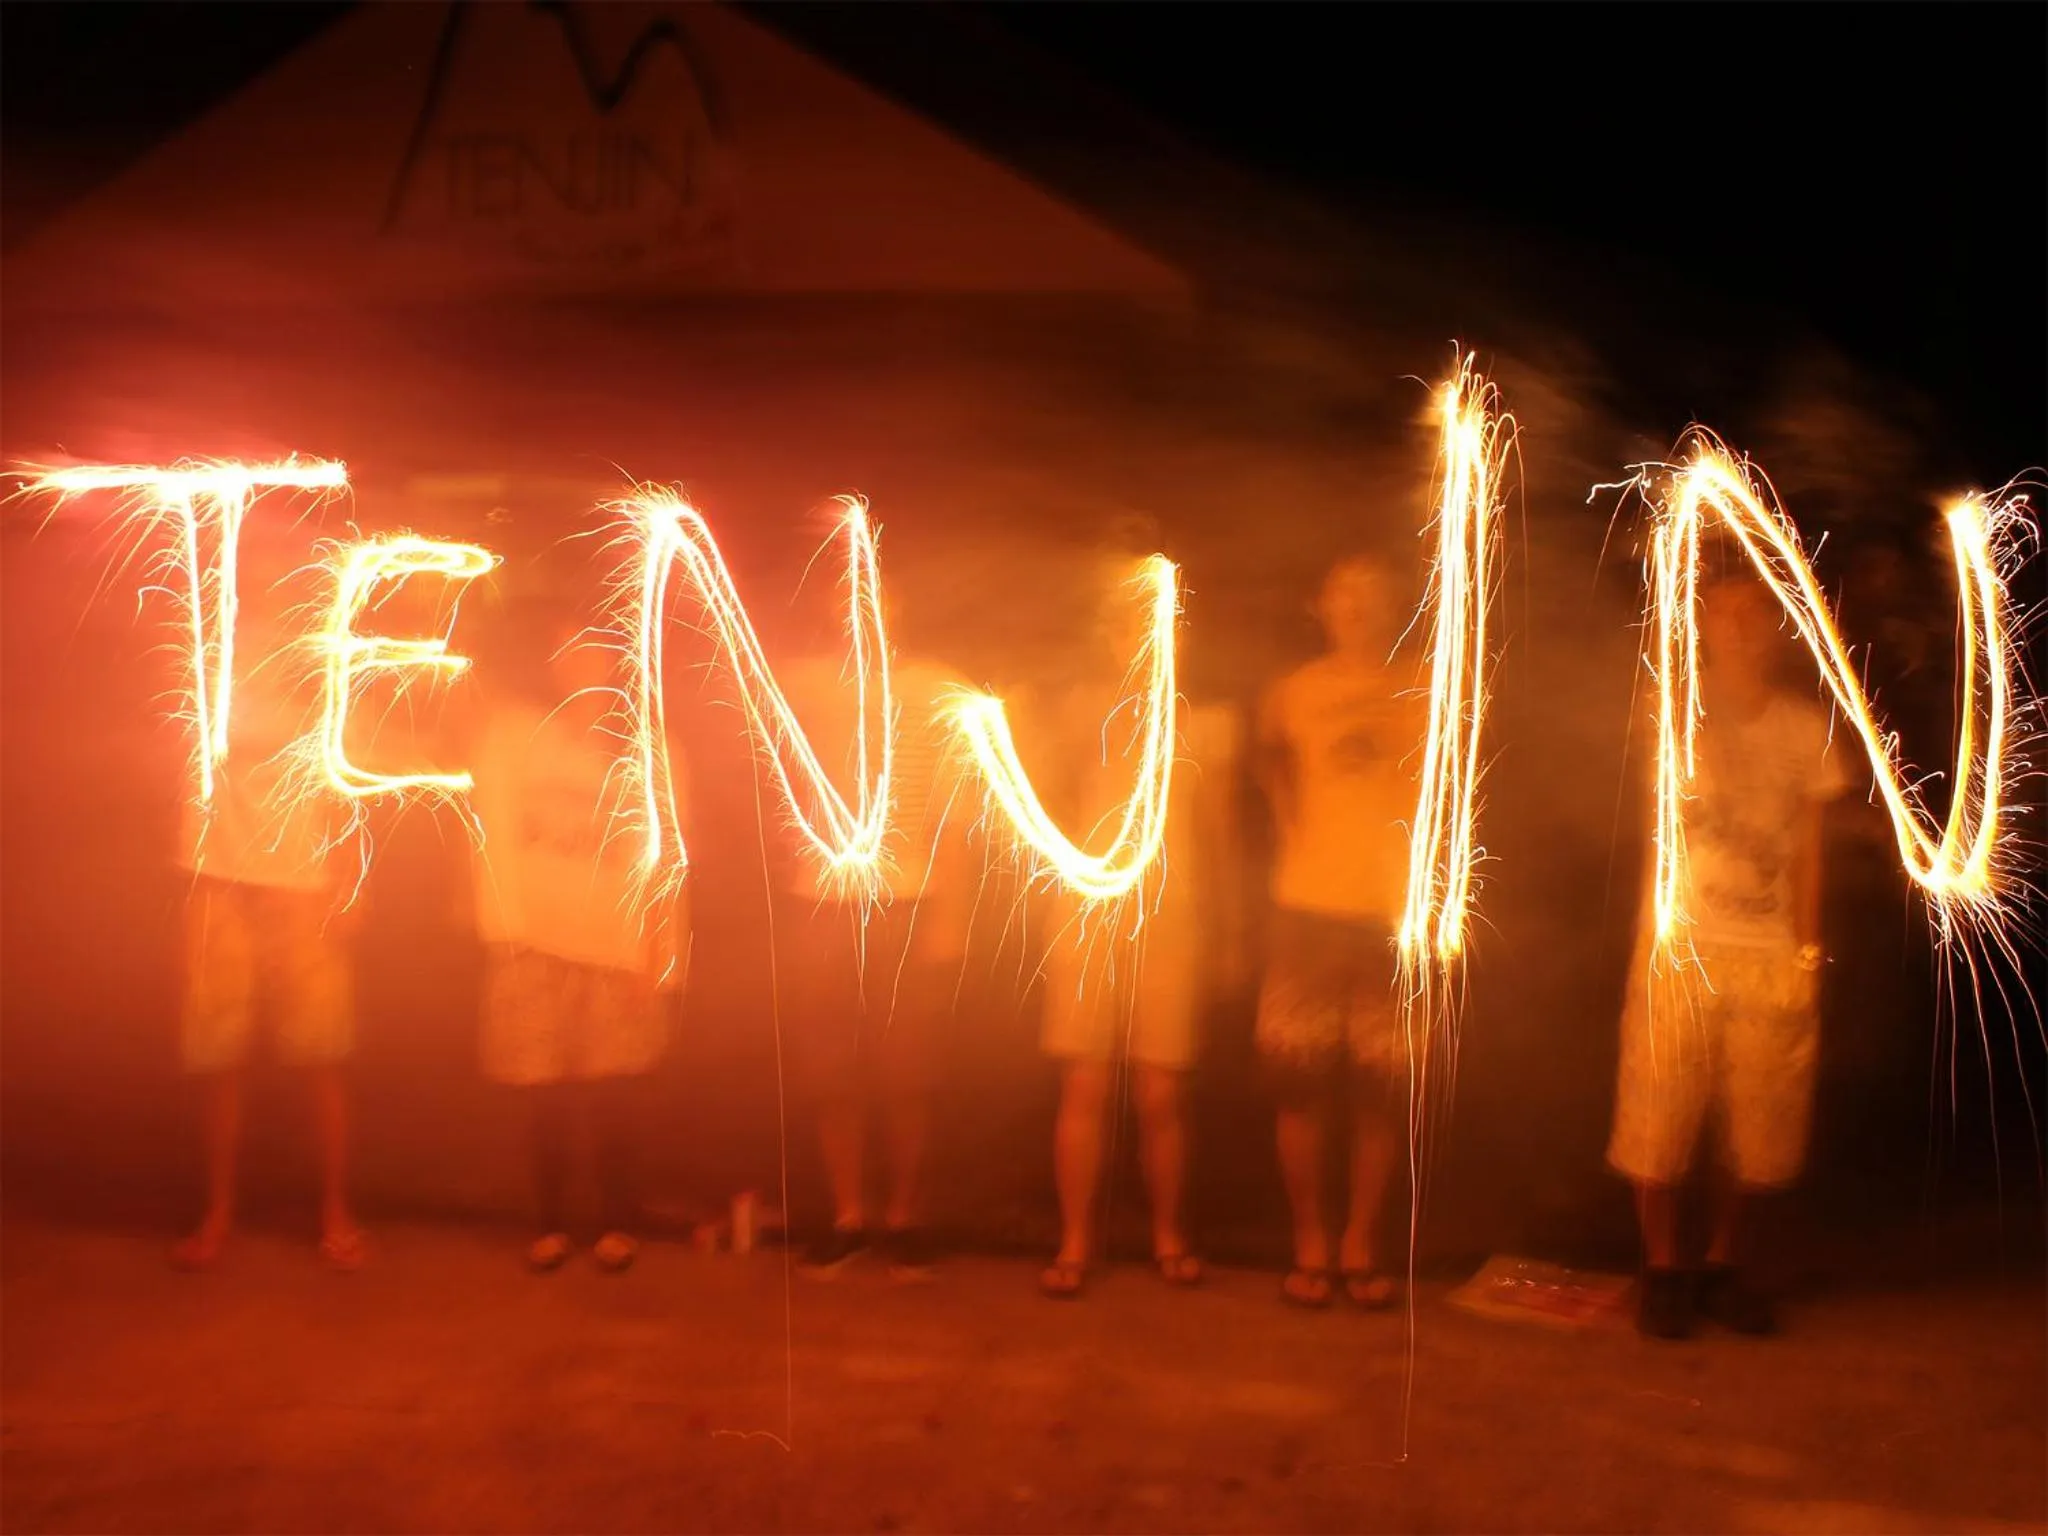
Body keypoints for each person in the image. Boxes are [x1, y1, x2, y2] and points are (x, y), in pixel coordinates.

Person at [1609, 571, 1850, 1339]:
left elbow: (1814, 851)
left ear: (1779, 630)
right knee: (1659, 1114)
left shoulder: (1805, 728)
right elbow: (1654, 828)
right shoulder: (1670, 715)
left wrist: (1807, 951)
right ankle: (1664, 1268)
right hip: (1683, 945)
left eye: (1756, 614)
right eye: (1725, 613)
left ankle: (1720, 1266)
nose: (1741, 627)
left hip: (1769, 949)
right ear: (1702, 626)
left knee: (1760, 1127)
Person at [1034, 550, 1243, 1299]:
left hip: (1175, 919)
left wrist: (1228, 934)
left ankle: (1168, 1235)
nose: (1140, 641)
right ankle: (1076, 1240)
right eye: (1126, 627)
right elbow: (1046, 813)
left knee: (1161, 1094)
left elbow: (1220, 838)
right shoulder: (1077, 709)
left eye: (1151, 628)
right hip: (1089, 913)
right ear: (1111, 636)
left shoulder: (1210, 722)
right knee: (1084, 1084)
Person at [470, 606, 684, 1273]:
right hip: (535, 940)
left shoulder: (649, 750)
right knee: (544, 1091)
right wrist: (503, 930)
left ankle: (618, 1222)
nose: (580, 665)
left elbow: (669, 858)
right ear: (553, 663)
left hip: (616, 944)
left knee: (614, 1093)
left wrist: (663, 957)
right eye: (568, 652)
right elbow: (489, 830)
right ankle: (551, 1223)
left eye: (593, 653)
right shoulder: (512, 735)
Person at [1254, 554, 1424, 1310]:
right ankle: (1310, 1240)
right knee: (1302, 1091)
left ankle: (1360, 1240)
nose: (1359, 606)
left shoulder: (1428, 687)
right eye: (1345, 593)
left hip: (1389, 917)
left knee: (1378, 1095)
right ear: (1319, 605)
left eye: (1374, 593)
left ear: (1395, 607)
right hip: (1309, 914)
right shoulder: (1292, 694)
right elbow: (1269, 780)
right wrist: (1298, 842)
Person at [783, 609, 975, 1280]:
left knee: (908, 1074)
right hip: (824, 902)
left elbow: (955, 814)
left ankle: (904, 1217)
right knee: (832, 1073)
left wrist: (950, 920)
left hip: (908, 903)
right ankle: (848, 1217)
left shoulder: (936, 689)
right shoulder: (814, 682)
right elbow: (738, 685)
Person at [170, 646, 362, 1270]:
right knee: (220, 1063)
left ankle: (335, 1213)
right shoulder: (211, 678)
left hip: (303, 892)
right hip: (223, 888)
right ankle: (217, 1213)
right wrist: (191, 893)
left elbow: (349, 789)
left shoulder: (321, 680)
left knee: (320, 1063)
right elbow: (190, 788)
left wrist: (354, 883)